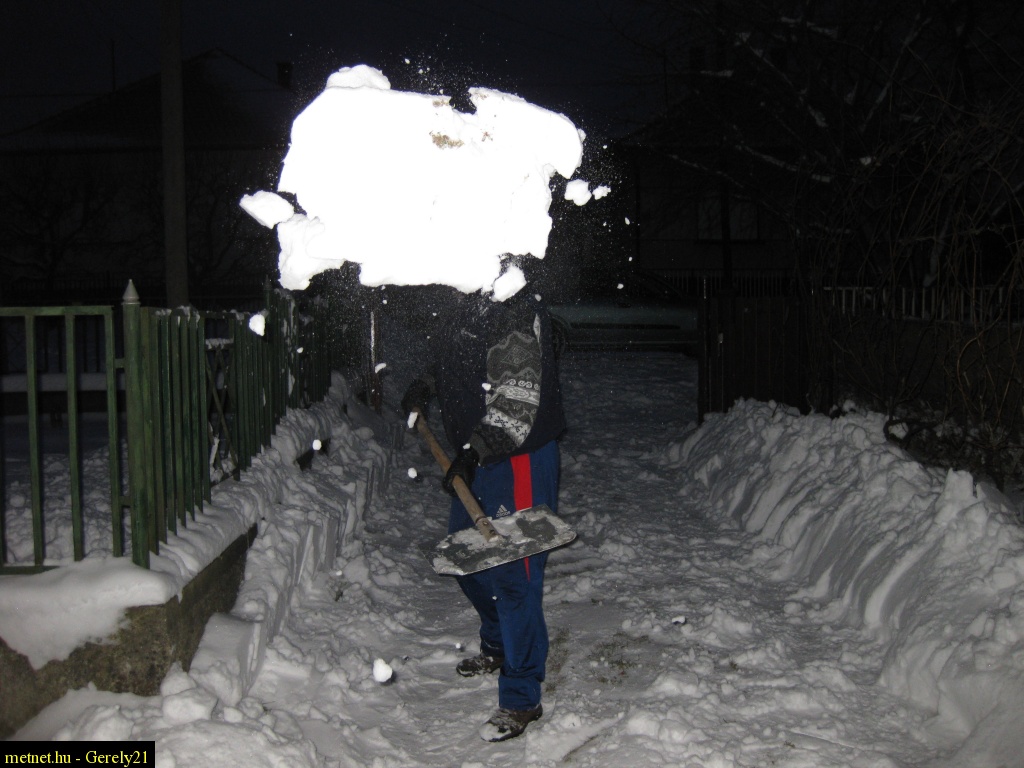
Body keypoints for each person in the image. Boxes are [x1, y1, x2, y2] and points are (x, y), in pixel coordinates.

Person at [401, 286, 565, 742]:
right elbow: (458, 355)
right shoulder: (463, 294)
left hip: (519, 457)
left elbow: (516, 405)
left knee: (514, 578)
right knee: (465, 558)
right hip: (477, 455)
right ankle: (498, 642)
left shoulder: (511, 304)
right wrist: (425, 384)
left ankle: (521, 696)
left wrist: (473, 454)